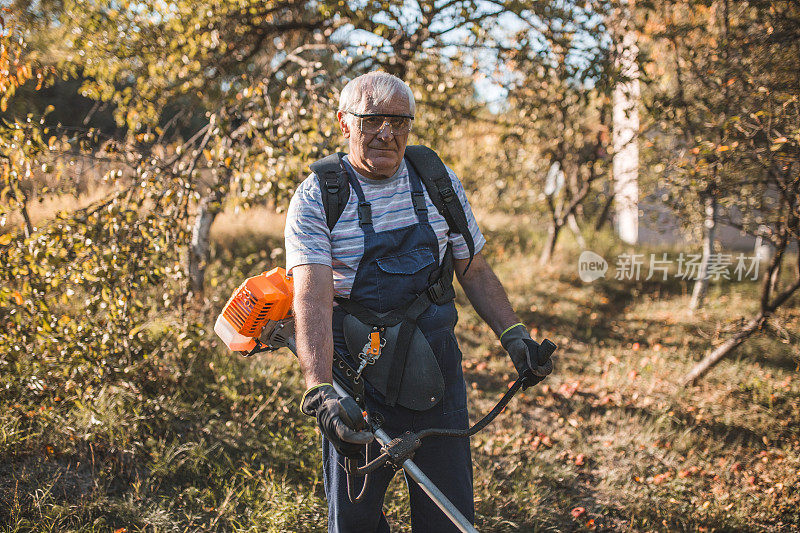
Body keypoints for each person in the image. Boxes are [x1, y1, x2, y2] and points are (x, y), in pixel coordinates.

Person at [284, 71, 553, 533]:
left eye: (398, 121)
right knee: (356, 523)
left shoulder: (437, 182)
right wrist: (320, 390)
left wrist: (515, 337)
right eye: (371, 121)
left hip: (437, 369)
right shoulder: (319, 196)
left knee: (447, 516)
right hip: (359, 382)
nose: (386, 133)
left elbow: (475, 269)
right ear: (345, 124)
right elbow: (312, 298)